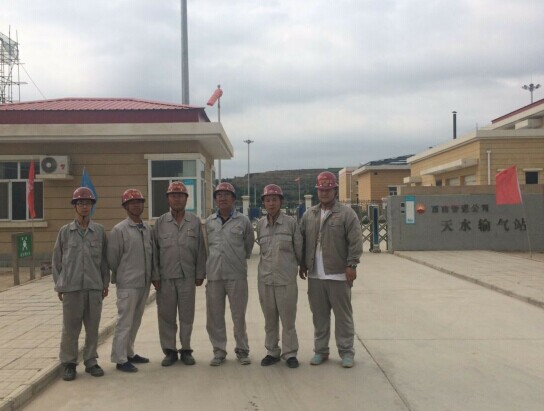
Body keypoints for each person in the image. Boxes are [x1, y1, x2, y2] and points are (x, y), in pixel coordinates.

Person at [298, 171, 362, 368]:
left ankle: (346, 352)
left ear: (335, 190)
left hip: (339, 274)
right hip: (315, 275)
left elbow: (355, 241)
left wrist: (352, 264)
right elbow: (302, 240)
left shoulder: (347, 214)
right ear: (317, 191)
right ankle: (321, 351)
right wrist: (302, 263)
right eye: (321, 190)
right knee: (319, 317)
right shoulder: (309, 215)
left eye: (328, 190)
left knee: (343, 317)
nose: (324, 193)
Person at [52, 187, 109, 381]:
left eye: (88, 203)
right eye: (80, 203)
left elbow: (104, 261)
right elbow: (57, 260)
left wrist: (105, 283)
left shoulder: (99, 231)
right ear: (75, 206)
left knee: (93, 328)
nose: (84, 206)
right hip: (72, 288)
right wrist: (60, 285)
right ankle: (69, 363)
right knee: (70, 329)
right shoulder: (65, 232)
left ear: (92, 206)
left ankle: (91, 361)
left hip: (94, 288)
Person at [153, 181, 206, 366]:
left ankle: (186, 349)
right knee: (166, 316)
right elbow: (154, 251)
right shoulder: (160, 222)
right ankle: (169, 350)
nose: (177, 199)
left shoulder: (194, 221)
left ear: (186, 199)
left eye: (180, 196)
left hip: (187, 277)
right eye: (173, 196)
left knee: (186, 316)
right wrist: (155, 275)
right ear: (168, 199)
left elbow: (200, 249)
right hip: (165, 278)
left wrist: (200, 273)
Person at [205, 182, 255, 366]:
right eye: (219, 195)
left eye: (227, 195)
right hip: (214, 275)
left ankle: (242, 350)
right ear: (215, 199)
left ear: (233, 199)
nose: (223, 198)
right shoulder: (209, 222)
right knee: (215, 316)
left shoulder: (243, 221)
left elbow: (248, 246)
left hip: (236, 275)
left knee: (238, 316)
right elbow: (206, 247)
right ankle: (219, 351)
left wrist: (237, 259)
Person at [255, 184, 302, 368]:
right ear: (264, 203)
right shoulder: (261, 225)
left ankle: (290, 353)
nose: (271, 203)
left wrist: (301, 267)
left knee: (288, 319)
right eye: (268, 200)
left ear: (281, 202)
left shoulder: (291, 223)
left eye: (275, 199)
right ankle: (272, 351)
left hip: (286, 279)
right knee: (269, 319)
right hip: (265, 279)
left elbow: (299, 249)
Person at [107, 189, 153, 373]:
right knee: (124, 321)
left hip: (144, 282)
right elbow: (112, 258)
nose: (136, 205)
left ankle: (129, 352)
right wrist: (122, 275)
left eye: (139, 202)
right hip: (127, 284)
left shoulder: (147, 228)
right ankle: (119, 358)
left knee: (135, 321)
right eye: (132, 203)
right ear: (125, 207)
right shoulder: (119, 230)